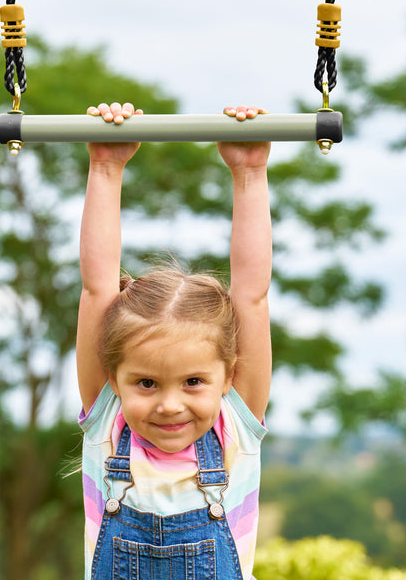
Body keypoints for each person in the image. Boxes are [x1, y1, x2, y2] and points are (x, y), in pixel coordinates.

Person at [77, 101, 272, 580]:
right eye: (145, 383)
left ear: (230, 375)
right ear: (114, 379)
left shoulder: (236, 424)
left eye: (192, 382)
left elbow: (251, 296)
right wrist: (105, 166)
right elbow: (97, 286)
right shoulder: (108, 419)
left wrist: (249, 174)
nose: (169, 404)